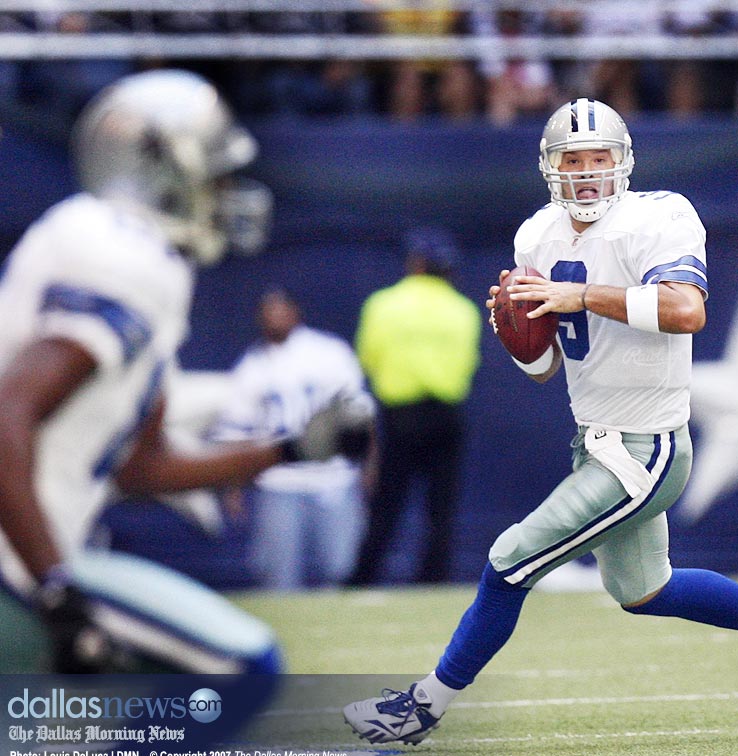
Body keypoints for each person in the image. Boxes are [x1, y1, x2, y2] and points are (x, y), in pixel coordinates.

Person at [343, 97, 738, 744]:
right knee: (645, 590)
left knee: (510, 560)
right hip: (595, 441)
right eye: (571, 160)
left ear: (623, 161)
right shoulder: (537, 235)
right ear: (550, 167)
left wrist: (578, 295)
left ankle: (423, 706)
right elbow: (546, 368)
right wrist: (518, 332)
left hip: (648, 448)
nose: (585, 173)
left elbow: (687, 311)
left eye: (597, 158)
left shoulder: (660, 217)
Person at [0, 69, 362, 678]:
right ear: (167, 175)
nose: (227, 193)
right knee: (245, 671)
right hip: (19, 567)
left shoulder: (133, 252)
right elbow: (8, 414)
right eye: (217, 176)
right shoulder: (123, 254)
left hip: (36, 556)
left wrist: (289, 449)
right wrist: (55, 587)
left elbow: (142, 467)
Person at [213, 287, 376, 590]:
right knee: (278, 576)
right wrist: (233, 487)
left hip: (333, 477)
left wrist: (368, 468)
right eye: (268, 311)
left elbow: (360, 415)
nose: (274, 317)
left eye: (280, 309)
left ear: (295, 312)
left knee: (344, 569)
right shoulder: (252, 366)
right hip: (279, 482)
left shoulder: (329, 352)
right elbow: (236, 431)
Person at [347, 227, 481, 585]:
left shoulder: (383, 304)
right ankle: (433, 579)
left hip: (399, 415)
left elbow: (368, 358)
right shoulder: (464, 310)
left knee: (386, 502)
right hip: (446, 414)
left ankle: (364, 578)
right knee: (441, 506)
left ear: (415, 263)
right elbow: (466, 364)